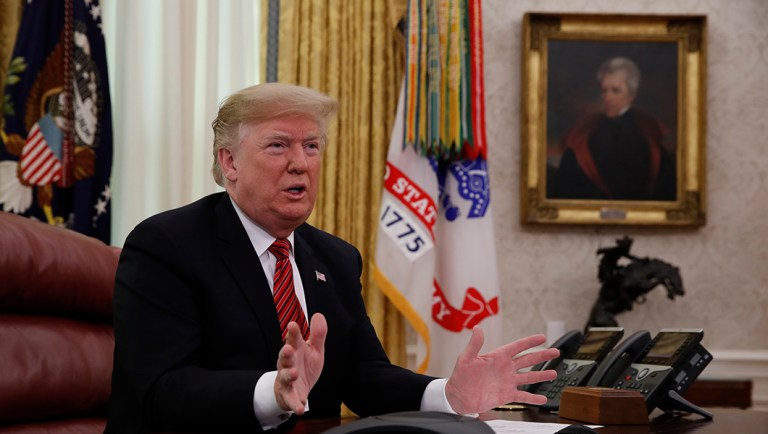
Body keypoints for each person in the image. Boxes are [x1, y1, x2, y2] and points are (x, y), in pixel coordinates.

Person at [104, 83, 560, 433]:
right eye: (278, 145)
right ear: (230, 163)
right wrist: (272, 392)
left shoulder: (335, 258)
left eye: (312, 146)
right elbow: (161, 390)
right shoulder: (167, 245)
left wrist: (448, 394)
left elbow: (363, 377)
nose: (300, 163)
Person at [550, 57, 676, 201]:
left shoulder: (647, 135)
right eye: (604, 90)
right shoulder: (586, 130)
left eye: (615, 91)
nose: (607, 98)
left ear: (631, 95)